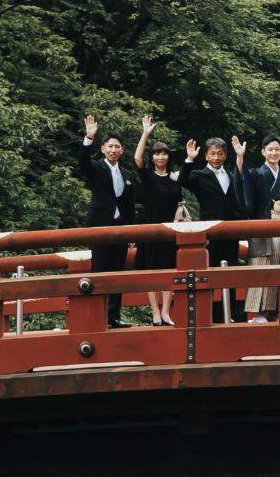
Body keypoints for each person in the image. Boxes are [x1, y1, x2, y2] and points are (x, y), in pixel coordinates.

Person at [77, 114, 138, 328]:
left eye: (117, 147)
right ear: (103, 149)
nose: (113, 150)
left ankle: (113, 316)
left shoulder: (126, 173)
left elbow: (129, 205)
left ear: (122, 150)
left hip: (120, 227)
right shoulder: (97, 168)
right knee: (100, 270)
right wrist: (89, 138)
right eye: (110, 146)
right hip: (100, 225)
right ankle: (97, 316)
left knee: (117, 271)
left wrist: (132, 231)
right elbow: (83, 164)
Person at [133, 115, 187, 326]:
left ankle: (165, 312)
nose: (160, 157)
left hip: (171, 228)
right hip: (151, 226)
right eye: (157, 153)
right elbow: (137, 159)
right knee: (152, 270)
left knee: (170, 269)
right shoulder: (148, 176)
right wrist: (145, 133)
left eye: (164, 153)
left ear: (168, 156)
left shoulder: (175, 178)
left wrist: (178, 215)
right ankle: (155, 313)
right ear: (153, 156)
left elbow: (179, 203)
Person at [238, 136, 280, 323]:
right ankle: (259, 313)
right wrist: (240, 157)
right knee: (261, 268)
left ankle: (274, 312)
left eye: (277, 149)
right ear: (263, 152)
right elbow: (242, 182)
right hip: (262, 229)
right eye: (270, 149)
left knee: (279, 268)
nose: (274, 153)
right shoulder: (255, 174)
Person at [179, 137, 246, 272]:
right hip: (210, 232)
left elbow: (239, 199)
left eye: (220, 153)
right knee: (210, 272)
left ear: (225, 156)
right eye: (212, 153)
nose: (216, 158)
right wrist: (190, 159)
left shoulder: (231, 176)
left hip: (230, 232)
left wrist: (240, 156)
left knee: (231, 271)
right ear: (206, 156)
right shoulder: (199, 176)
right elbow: (182, 181)